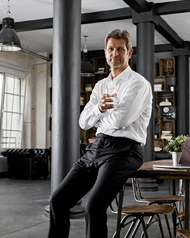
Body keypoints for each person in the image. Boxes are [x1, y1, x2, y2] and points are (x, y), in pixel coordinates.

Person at [48, 29, 153, 238]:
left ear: (129, 53)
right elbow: (84, 122)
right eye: (111, 49)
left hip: (125, 150)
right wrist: (100, 109)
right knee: (58, 200)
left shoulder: (139, 84)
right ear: (105, 52)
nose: (115, 53)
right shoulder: (100, 85)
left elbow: (121, 121)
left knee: (94, 207)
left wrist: (100, 116)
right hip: (97, 146)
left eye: (120, 49)